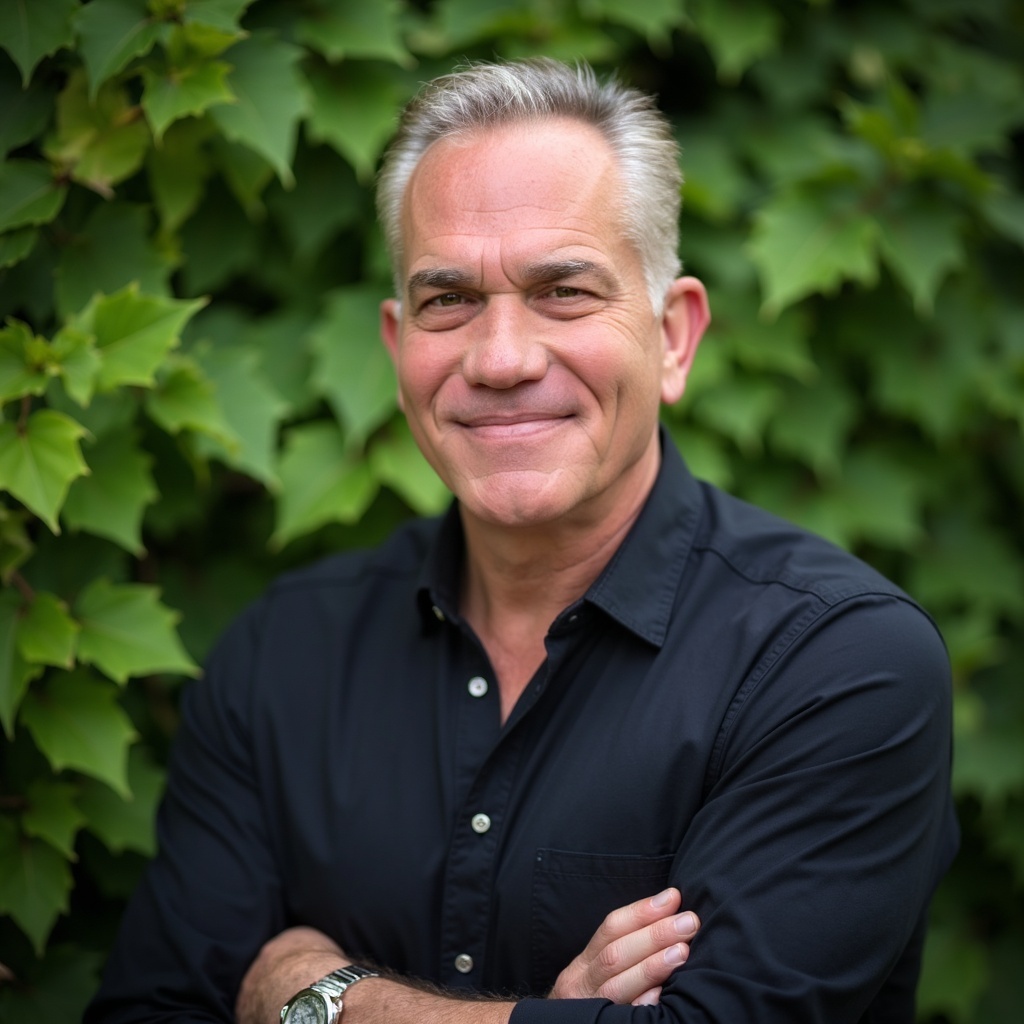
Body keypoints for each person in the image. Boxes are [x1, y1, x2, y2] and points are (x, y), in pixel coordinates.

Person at [86, 58, 958, 1024]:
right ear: (396, 345)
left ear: (674, 336)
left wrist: (306, 993)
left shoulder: (838, 664)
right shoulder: (279, 656)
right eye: (448, 299)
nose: (501, 360)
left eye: (564, 291)